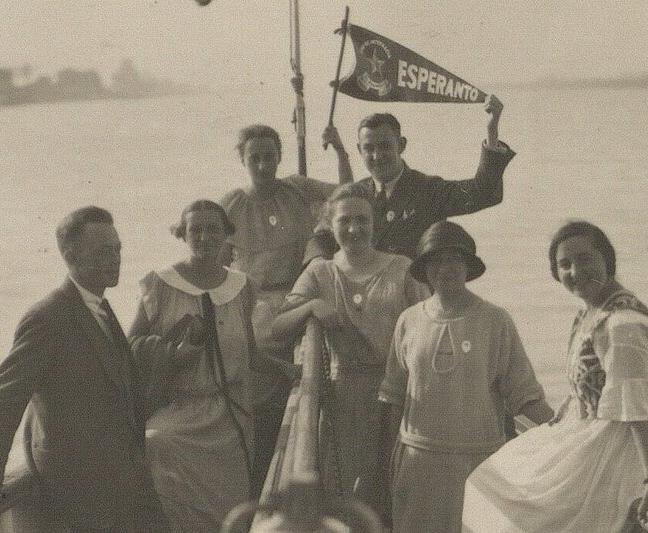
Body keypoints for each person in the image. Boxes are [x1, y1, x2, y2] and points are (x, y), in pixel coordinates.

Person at [0, 206, 170, 532]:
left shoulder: (100, 308)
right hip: (82, 487)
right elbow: (4, 395)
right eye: (103, 251)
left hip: (123, 480)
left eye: (118, 248)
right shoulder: (48, 317)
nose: (115, 258)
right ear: (71, 255)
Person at [462, 221, 648, 532]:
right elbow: (597, 377)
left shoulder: (622, 324)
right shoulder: (593, 309)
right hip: (592, 428)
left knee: (508, 498)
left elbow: (637, 406)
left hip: (615, 445)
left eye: (586, 259)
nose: (575, 271)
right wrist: (570, 406)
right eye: (564, 264)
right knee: (490, 482)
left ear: (608, 259)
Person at [128, 200, 298, 532]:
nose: (204, 237)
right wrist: (173, 354)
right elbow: (129, 348)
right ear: (182, 234)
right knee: (157, 441)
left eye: (213, 230)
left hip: (230, 415)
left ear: (226, 236)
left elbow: (249, 353)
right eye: (196, 230)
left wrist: (287, 370)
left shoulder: (240, 286)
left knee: (230, 516)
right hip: (179, 409)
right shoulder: (160, 284)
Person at [379, 220, 553, 533]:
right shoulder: (409, 320)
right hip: (419, 463)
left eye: (454, 259)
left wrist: (565, 428)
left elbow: (523, 394)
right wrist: (390, 466)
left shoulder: (495, 321)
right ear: (425, 269)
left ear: (468, 266)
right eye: (436, 260)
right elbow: (394, 397)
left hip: (479, 463)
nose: (445, 268)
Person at [272, 183, 428, 517]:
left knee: (396, 487)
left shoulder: (402, 269)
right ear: (330, 224)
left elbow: (429, 324)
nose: (354, 229)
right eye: (345, 221)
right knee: (348, 491)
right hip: (343, 400)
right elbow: (278, 329)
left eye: (362, 220)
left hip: (400, 393)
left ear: (375, 223)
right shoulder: (320, 272)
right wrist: (312, 305)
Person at [219, 124, 353, 494]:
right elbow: (214, 263)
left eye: (269, 156)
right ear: (243, 160)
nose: (263, 165)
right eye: (254, 158)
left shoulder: (296, 189)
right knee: (259, 393)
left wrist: (341, 153)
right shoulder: (231, 205)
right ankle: (261, 470)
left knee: (297, 380)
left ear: (279, 156)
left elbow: (349, 195)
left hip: (295, 297)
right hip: (253, 308)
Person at [304, 95, 515, 263]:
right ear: (359, 150)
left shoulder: (429, 189)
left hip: (415, 298)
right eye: (369, 148)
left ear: (402, 145)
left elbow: (481, 193)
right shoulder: (357, 194)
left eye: (385, 146)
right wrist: (319, 264)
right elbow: (322, 235)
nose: (377, 156)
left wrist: (492, 131)